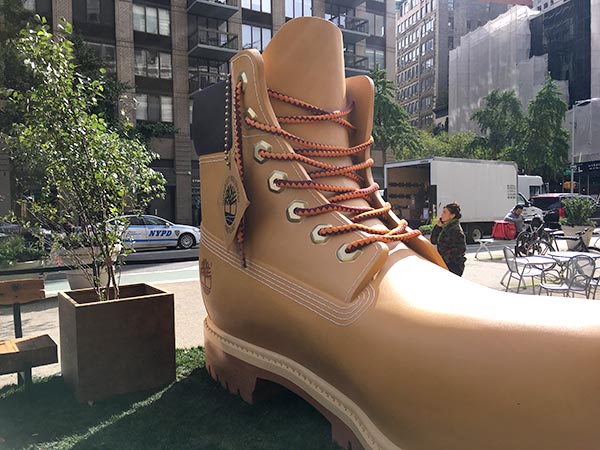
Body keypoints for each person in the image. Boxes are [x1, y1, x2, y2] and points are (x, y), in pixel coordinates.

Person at [431, 202, 467, 276]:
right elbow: (433, 240)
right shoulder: (445, 227)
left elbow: (461, 249)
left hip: (453, 266)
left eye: (444, 212)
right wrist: (438, 227)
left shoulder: (455, 230)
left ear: (452, 215)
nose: (441, 215)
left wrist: (445, 258)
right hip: (444, 263)